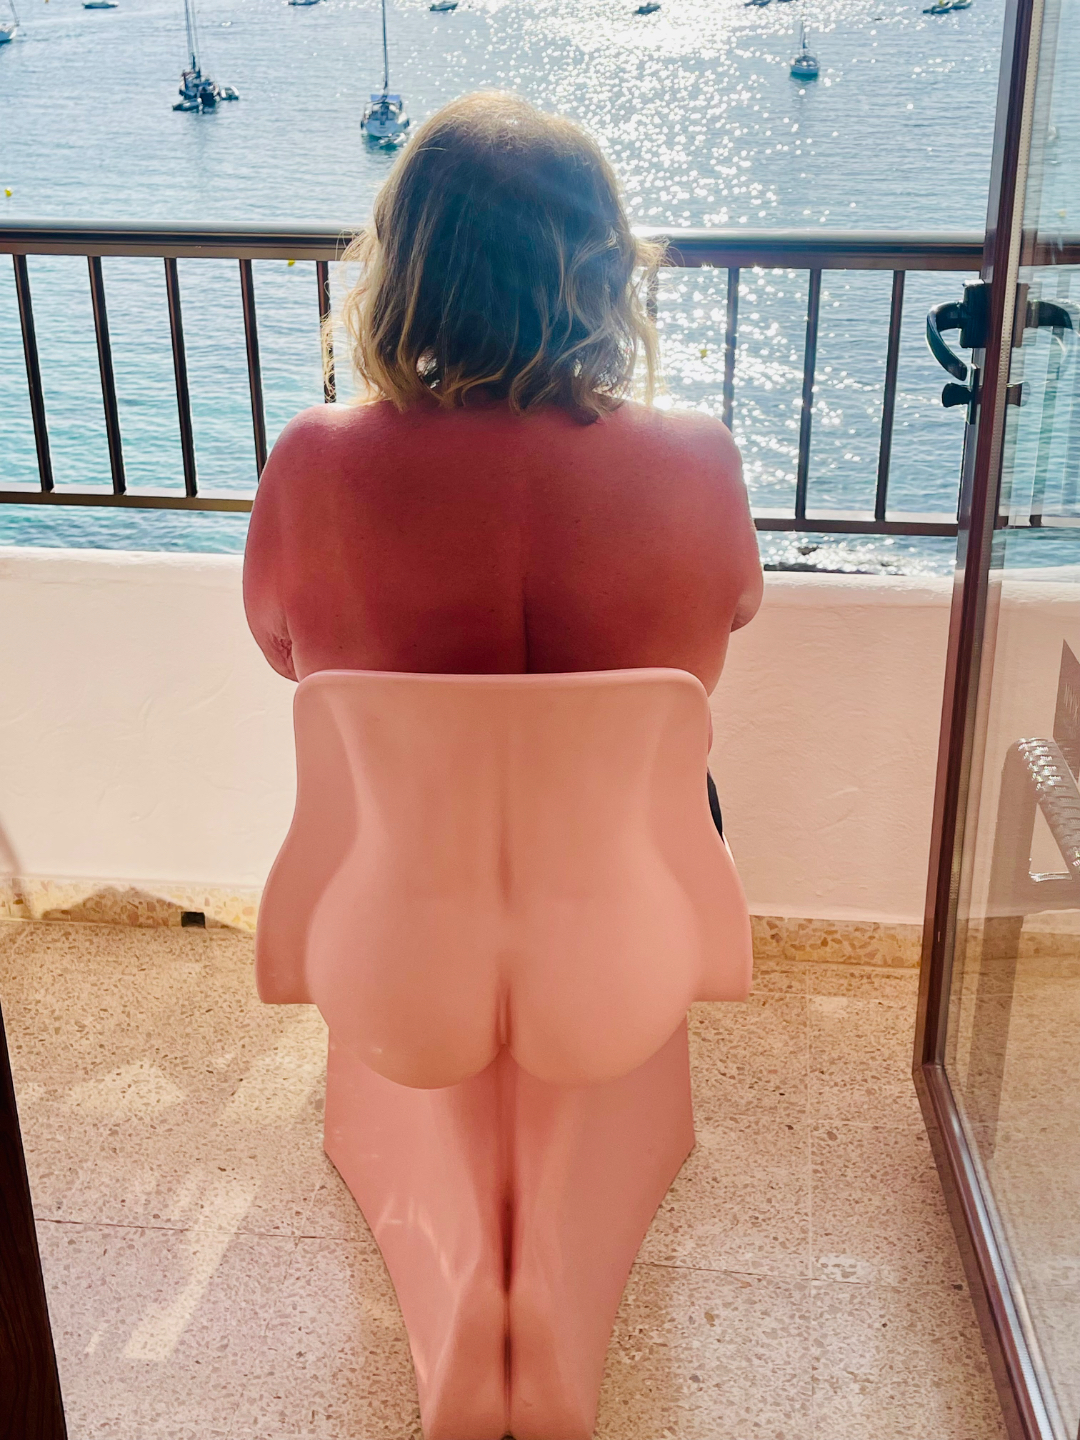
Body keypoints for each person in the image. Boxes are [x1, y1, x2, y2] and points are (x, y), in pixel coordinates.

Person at [243, 92, 762, 795]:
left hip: (393, 860)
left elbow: (284, 653)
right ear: (605, 268)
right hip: (639, 862)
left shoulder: (313, 457)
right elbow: (737, 610)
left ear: (406, 268)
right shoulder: (701, 457)